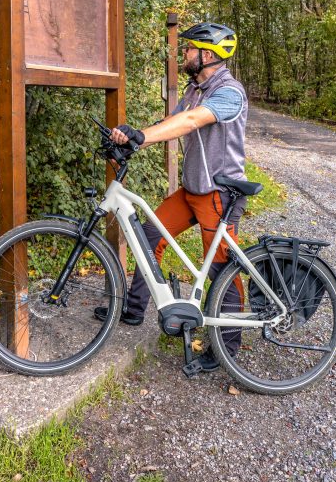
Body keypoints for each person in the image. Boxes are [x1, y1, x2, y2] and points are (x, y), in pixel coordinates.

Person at [95, 22, 248, 372]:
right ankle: (134, 310)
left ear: (208, 55)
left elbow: (192, 121)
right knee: (149, 237)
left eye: (190, 49)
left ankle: (228, 347)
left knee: (223, 270)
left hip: (219, 193)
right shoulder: (197, 88)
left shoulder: (228, 91)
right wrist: (134, 137)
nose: (185, 55)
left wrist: (142, 137)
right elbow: (174, 119)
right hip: (192, 191)